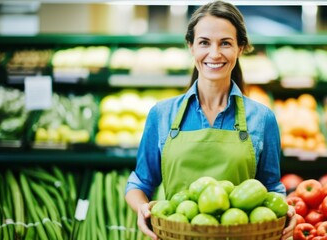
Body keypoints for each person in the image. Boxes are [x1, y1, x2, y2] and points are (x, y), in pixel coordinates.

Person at [125, 1, 296, 239]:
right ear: (191, 47)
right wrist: (141, 208)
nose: (214, 54)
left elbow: (271, 187)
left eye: (225, 43)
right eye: (204, 42)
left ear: (240, 48)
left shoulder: (262, 118)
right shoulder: (161, 114)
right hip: (179, 233)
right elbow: (140, 183)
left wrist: (285, 209)